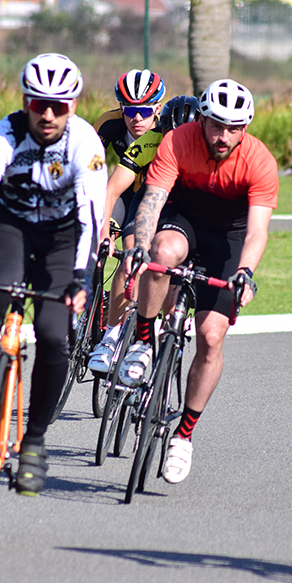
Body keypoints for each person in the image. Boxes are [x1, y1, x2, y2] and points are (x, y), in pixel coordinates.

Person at [0, 53, 107, 496]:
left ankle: (33, 442)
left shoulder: (86, 144)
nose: (48, 114)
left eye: (59, 105)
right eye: (38, 104)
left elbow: (93, 217)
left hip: (61, 239)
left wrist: (81, 278)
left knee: (54, 334)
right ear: (25, 102)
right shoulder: (5, 135)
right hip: (10, 227)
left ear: (74, 105)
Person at [118, 78, 278, 484]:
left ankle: (184, 436)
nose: (223, 136)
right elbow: (152, 200)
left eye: (233, 128)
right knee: (161, 253)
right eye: (215, 125)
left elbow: (258, 231)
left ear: (245, 127)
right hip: (184, 214)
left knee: (210, 336)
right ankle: (141, 341)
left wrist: (245, 273)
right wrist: (139, 244)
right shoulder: (177, 140)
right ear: (202, 119)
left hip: (230, 232)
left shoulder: (259, 161)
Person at [87, 93, 201, 375]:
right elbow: (113, 189)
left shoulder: (206, 151)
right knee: (131, 262)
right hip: (147, 201)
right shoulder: (150, 142)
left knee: (174, 277)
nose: (178, 143)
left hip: (183, 212)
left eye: (185, 136)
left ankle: (157, 339)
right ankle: (111, 337)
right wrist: (104, 231)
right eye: (171, 136)